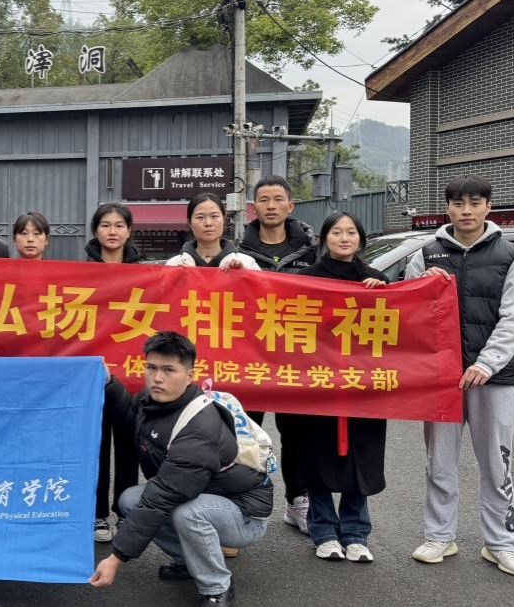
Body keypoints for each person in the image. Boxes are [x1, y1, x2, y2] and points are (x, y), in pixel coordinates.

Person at [404, 174, 514, 577]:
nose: (466, 211)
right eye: (458, 203)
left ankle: (501, 544)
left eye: (475, 203)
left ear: (488, 207)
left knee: (497, 464)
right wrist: (421, 287)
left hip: (494, 378)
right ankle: (439, 536)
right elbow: (407, 313)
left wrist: (486, 363)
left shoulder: (511, 256)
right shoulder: (426, 255)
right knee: (439, 461)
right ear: (447, 208)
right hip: (441, 379)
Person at [90, 332, 272, 607]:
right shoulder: (154, 399)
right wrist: (109, 383)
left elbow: (163, 496)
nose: (157, 378)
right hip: (206, 494)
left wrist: (116, 558)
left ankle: (217, 586)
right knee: (130, 500)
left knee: (187, 512)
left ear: (189, 376)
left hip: (244, 513)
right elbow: (131, 418)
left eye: (168, 370)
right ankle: (190, 562)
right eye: (151, 367)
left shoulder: (200, 429)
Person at [294, 212, 389, 563]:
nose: (344, 238)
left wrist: (384, 295)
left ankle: (356, 533)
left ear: (361, 238)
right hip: (318, 384)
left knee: (360, 459)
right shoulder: (306, 280)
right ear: (324, 239)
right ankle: (323, 531)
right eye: (337, 232)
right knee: (316, 457)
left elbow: (396, 330)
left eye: (351, 232)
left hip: (362, 386)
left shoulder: (376, 279)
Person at [237, 175, 317, 533]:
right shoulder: (237, 252)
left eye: (277, 199)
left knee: (298, 435)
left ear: (290, 205)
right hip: (249, 358)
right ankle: (243, 504)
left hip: (295, 359)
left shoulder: (311, 250)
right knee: (246, 435)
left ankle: (298, 502)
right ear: (254, 208)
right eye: (264, 200)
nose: (271, 206)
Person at [85, 202, 143, 542]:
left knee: (129, 444)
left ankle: (125, 513)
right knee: (96, 445)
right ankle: (97, 515)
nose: (112, 231)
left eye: (119, 225)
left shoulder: (146, 273)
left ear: (129, 231)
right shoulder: (78, 272)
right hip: (95, 372)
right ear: (96, 230)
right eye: (105, 225)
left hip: (133, 373)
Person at [165, 193, 259, 270]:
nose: (208, 223)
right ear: (190, 224)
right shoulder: (174, 265)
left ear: (224, 220)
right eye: (200, 217)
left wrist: (244, 276)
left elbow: (261, 287)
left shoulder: (247, 263)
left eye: (214, 216)